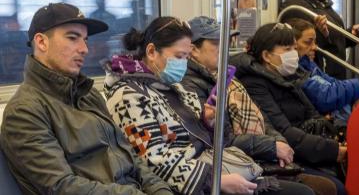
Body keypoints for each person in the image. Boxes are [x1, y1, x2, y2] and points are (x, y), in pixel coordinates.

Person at [104, 16, 315, 195]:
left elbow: (214, 140)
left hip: (212, 167)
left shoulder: (174, 87)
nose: (183, 64)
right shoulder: (128, 96)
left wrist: (208, 122)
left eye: (186, 57)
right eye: (178, 56)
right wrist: (216, 181)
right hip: (192, 184)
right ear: (151, 52)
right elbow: (153, 160)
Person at [0, 2, 173, 195]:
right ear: (41, 42)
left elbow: (132, 157)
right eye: (73, 38)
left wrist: (160, 190)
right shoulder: (25, 111)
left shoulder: (88, 95)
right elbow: (62, 187)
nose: (84, 49)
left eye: (85, 40)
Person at [182, 16, 337, 195]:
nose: (224, 49)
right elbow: (222, 138)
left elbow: (264, 119)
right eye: (217, 43)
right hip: (233, 162)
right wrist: (271, 146)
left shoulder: (227, 78)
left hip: (254, 154)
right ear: (193, 50)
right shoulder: (192, 86)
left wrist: (277, 140)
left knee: (327, 185)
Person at [230, 22, 347, 195]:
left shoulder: (288, 76)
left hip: (305, 148)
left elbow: (312, 114)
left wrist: (336, 136)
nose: (293, 54)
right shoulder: (253, 83)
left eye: (294, 48)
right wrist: (332, 150)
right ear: (267, 56)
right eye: (287, 49)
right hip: (283, 155)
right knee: (334, 186)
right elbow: (283, 131)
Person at [285, 18, 359, 125]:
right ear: (293, 44)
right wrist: (356, 88)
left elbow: (330, 82)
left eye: (314, 42)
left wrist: (354, 97)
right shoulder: (291, 69)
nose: (314, 47)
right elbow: (325, 98)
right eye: (308, 42)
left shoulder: (307, 62)